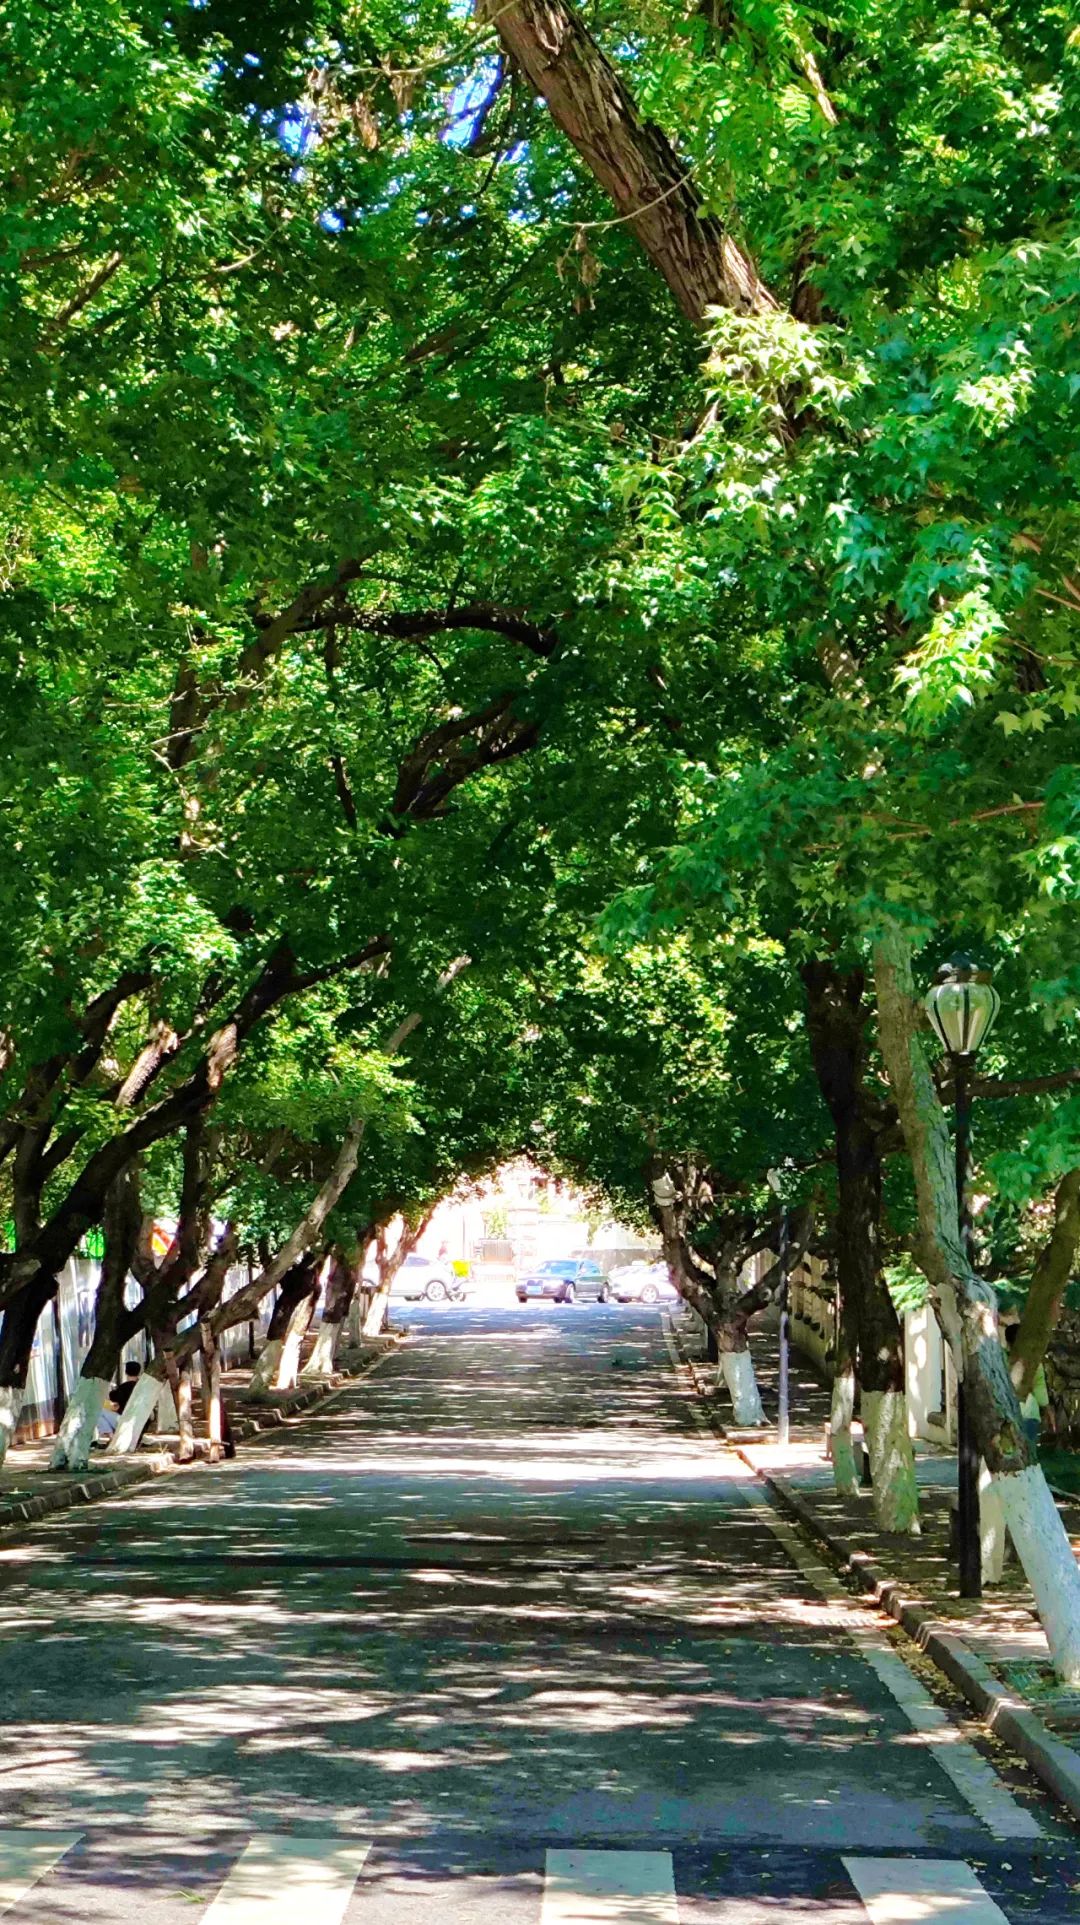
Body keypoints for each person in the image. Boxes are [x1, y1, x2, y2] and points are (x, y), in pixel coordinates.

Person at [1004, 1323, 1049, 1449]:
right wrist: (1046, 1408)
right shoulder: (1033, 1361)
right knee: (1028, 1453)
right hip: (1029, 1413)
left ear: (1008, 1342)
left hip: (1005, 1414)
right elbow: (1039, 1387)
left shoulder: (1001, 1359)